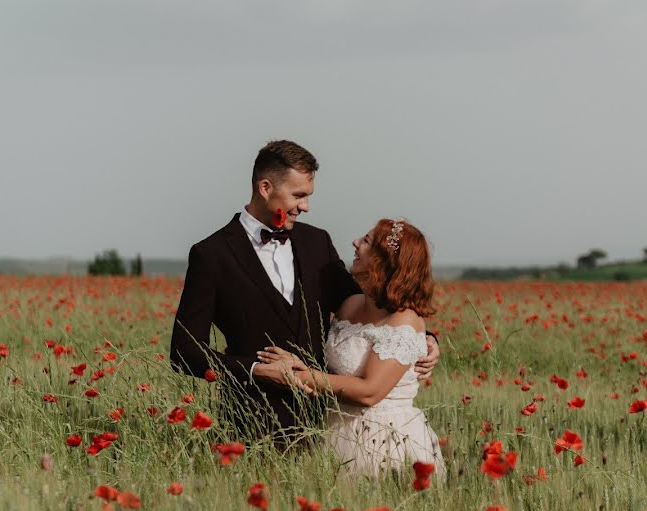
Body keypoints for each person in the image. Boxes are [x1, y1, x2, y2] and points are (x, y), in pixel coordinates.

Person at [169, 140, 440, 444]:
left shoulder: (317, 243)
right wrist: (256, 370)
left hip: (325, 427)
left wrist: (425, 339)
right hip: (249, 427)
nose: (306, 206)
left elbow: (376, 310)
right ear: (266, 187)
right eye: (298, 195)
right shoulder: (212, 254)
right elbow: (184, 351)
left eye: (308, 196)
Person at [257, 219, 446, 478]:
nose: (355, 243)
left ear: (383, 260)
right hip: (335, 429)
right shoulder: (350, 305)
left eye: (366, 241)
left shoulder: (405, 320)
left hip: (385, 440)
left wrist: (297, 375)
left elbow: (370, 392)